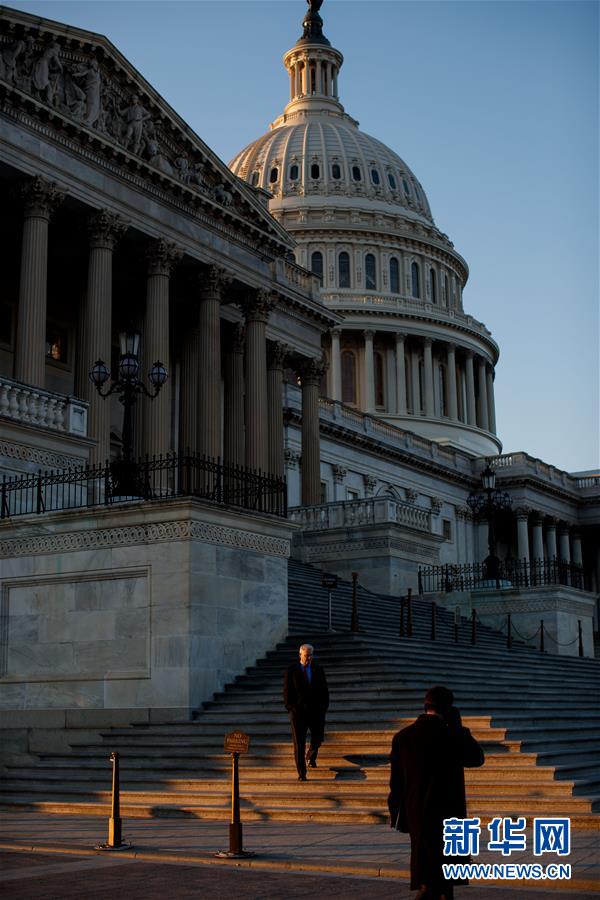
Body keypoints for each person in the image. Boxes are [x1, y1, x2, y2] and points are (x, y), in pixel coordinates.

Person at [388, 685, 484, 900]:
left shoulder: (403, 736)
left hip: (417, 813)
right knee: (441, 882)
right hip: (449, 812)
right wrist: (459, 729)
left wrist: (396, 813)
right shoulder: (452, 734)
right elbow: (477, 758)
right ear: (449, 709)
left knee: (428, 877)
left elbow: (396, 781)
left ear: (425, 706)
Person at [283, 643, 329, 781]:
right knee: (299, 744)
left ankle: (310, 756)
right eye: (306, 655)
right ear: (300, 655)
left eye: (311, 655)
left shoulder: (318, 669)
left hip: (316, 712)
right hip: (298, 714)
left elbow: (324, 690)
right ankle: (302, 774)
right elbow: (287, 692)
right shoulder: (292, 670)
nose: (309, 658)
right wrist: (291, 708)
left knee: (318, 737)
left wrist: (323, 708)